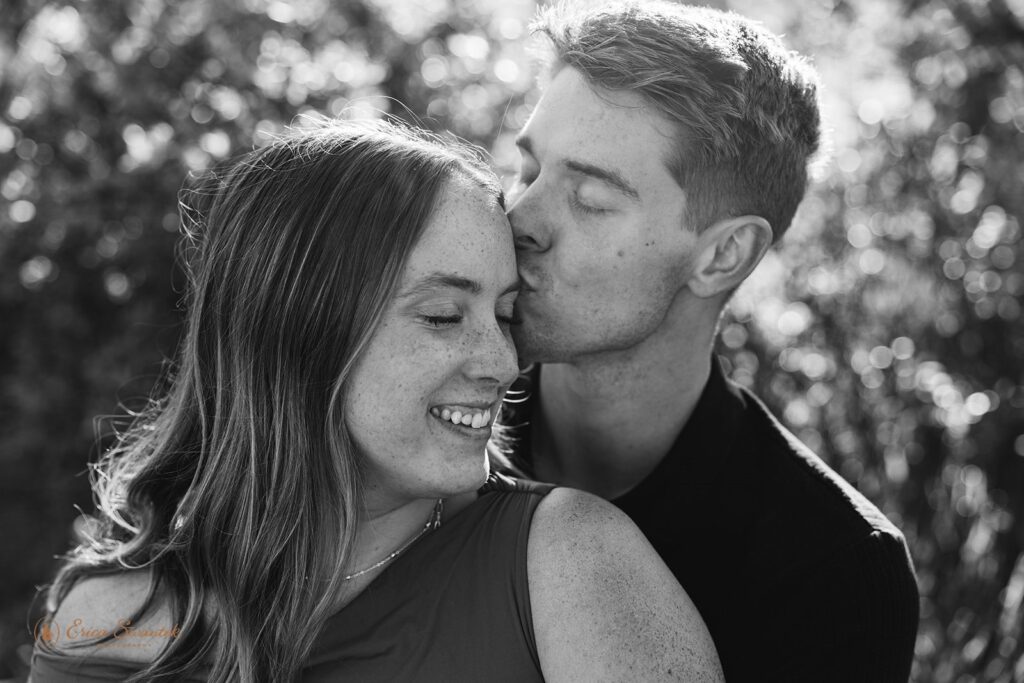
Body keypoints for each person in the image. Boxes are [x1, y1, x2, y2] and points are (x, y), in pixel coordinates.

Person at [30, 119, 723, 682]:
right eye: (444, 315)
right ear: (301, 329)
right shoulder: (108, 624)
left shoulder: (570, 565)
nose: (503, 361)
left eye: (505, 314)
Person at [500, 2, 920, 681]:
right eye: (527, 171)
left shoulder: (833, 569)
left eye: (591, 200)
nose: (518, 218)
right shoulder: (405, 442)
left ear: (724, 255)